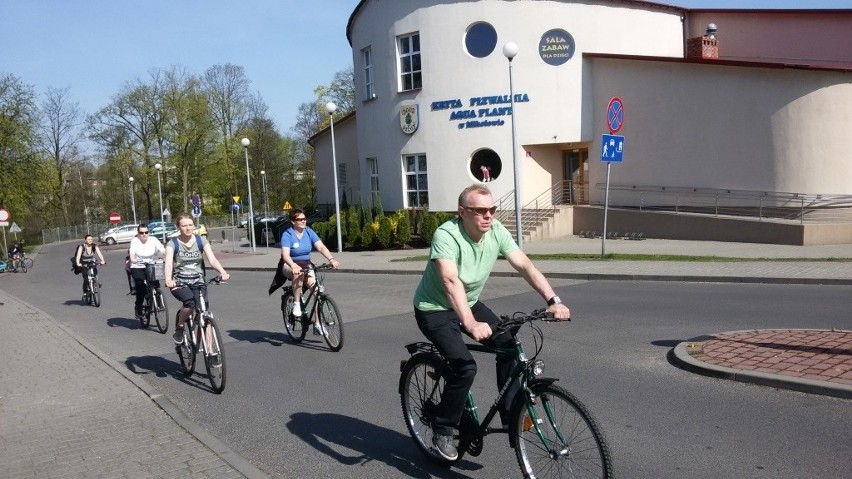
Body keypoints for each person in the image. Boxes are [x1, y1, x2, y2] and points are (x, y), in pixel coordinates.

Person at [413, 184, 570, 461]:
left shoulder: (496, 232)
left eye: (492, 210)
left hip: (469, 302)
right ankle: (443, 428)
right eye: (480, 211)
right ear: (462, 212)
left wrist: (553, 300)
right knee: (465, 366)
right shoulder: (446, 234)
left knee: (508, 344)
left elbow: (525, 265)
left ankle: (511, 415)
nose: (488, 216)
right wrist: (471, 324)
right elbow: (450, 281)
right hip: (434, 309)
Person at [165, 213, 230, 344]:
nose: (188, 228)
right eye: (184, 225)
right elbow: (168, 264)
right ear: (178, 226)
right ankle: (180, 326)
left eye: (190, 225)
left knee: (204, 315)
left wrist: (222, 271)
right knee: (189, 303)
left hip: (198, 281)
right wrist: (168, 279)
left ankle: (211, 352)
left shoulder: (201, 241)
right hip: (179, 282)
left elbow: (212, 259)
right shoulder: (173, 243)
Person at [279, 208, 340, 333]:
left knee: (316, 290)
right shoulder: (288, 234)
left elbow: (321, 246)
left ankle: (317, 323)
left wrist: (331, 259)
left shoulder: (309, 232)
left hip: (306, 264)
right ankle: (296, 303)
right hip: (289, 264)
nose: (303, 221)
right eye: (299, 219)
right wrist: (293, 265)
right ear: (292, 221)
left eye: (304, 218)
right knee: (298, 273)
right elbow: (285, 255)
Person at [128, 223, 166, 319]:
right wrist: (133, 259)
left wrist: (167, 255)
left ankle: (158, 300)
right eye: (141, 233)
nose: (144, 234)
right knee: (140, 286)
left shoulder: (153, 239)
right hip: (137, 265)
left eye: (146, 232)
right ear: (138, 233)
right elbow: (132, 252)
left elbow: (162, 249)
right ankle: (139, 307)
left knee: (154, 282)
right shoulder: (135, 240)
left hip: (151, 263)